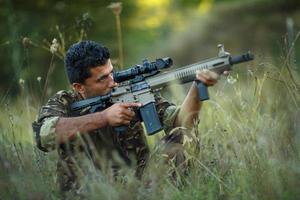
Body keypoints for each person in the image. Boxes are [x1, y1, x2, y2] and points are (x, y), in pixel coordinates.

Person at [32, 40, 223, 195]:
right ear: (79, 87)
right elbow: (44, 135)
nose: (113, 82)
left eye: (112, 73)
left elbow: (180, 122)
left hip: (142, 187)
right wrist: (104, 117)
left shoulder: (128, 91)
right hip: (89, 190)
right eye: (102, 79)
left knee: (182, 135)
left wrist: (198, 87)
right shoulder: (65, 101)